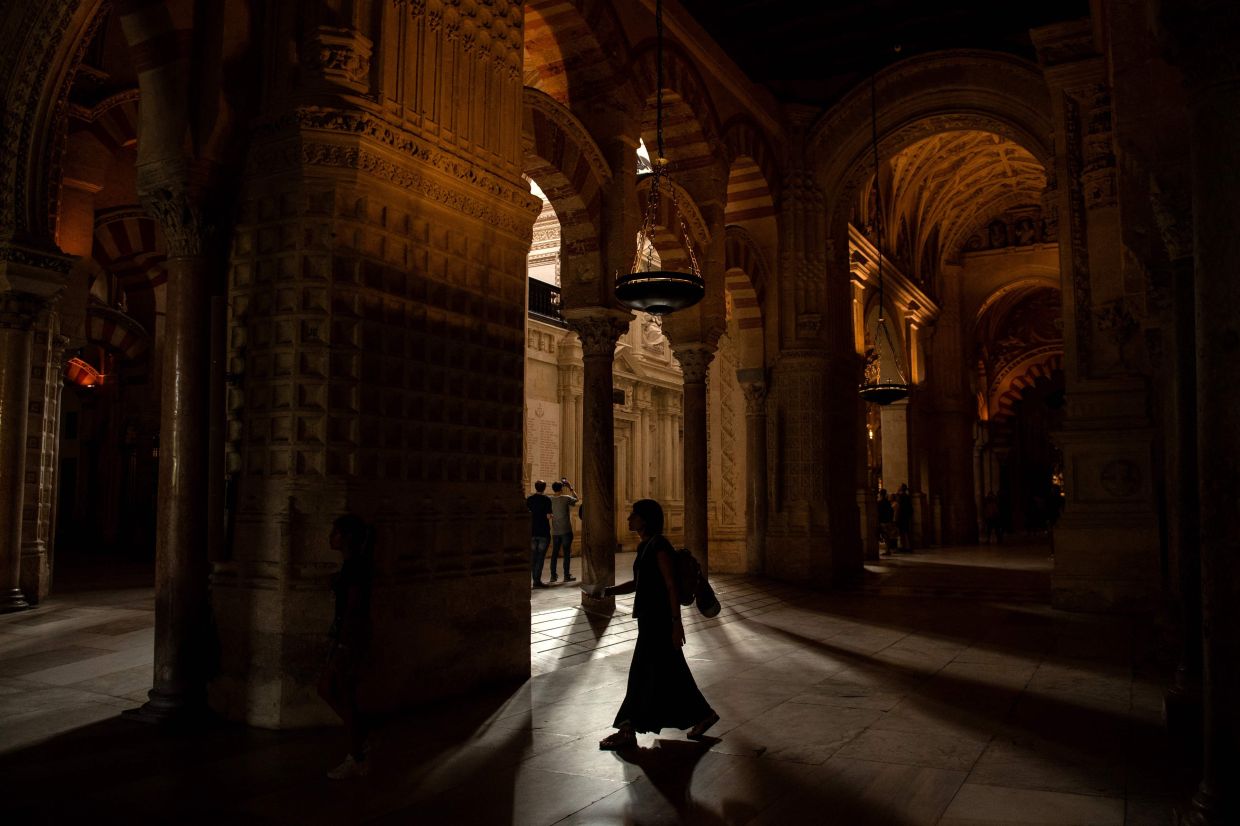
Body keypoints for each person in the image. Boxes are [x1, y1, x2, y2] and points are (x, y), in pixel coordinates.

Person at [596, 499, 719, 751]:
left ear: (646, 519)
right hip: (650, 619)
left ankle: (628, 729)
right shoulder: (645, 546)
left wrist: (677, 624)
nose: (629, 519)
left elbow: (671, 584)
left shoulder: (659, 546)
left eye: (634, 515)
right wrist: (607, 591)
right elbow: (638, 583)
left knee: (642, 673)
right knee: (672, 673)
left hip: (660, 621)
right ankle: (703, 714)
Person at [319, 514, 375, 780]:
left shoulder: (355, 568)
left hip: (349, 638)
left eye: (336, 532)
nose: (331, 536)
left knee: (338, 691)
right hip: (347, 637)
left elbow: (353, 609)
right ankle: (360, 742)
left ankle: (358, 753)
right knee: (333, 690)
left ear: (347, 538)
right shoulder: (353, 566)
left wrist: (342, 643)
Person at [548, 478, 579, 583]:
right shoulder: (566, 498)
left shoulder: (550, 499)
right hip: (566, 530)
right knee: (566, 553)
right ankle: (566, 576)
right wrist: (570, 488)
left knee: (554, 554)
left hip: (555, 531)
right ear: (562, 489)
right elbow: (576, 499)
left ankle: (553, 576)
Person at [526, 480, 553, 588]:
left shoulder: (529, 499)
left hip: (532, 531)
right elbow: (548, 516)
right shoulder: (547, 499)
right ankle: (537, 581)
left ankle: (533, 579)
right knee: (540, 557)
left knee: (533, 557)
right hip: (543, 531)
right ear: (544, 488)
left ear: (535, 487)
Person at [895, 483, 914, 552]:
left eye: (899, 487)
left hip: (902, 516)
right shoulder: (907, 496)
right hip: (906, 516)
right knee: (905, 532)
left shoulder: (901, 496)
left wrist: (897, 493)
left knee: (902, 532)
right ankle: (907, 546)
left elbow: (899, 506)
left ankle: (904, 547)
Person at [876, 488, 895, 555]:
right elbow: (891, 511)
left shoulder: (879, 503)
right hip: (888, 520)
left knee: (884, 536)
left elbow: (878, 512)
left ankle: (887, 550)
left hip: (882, 521)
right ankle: (888, 550)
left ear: (880, 494)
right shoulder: (888, 502)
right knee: (887, 537)